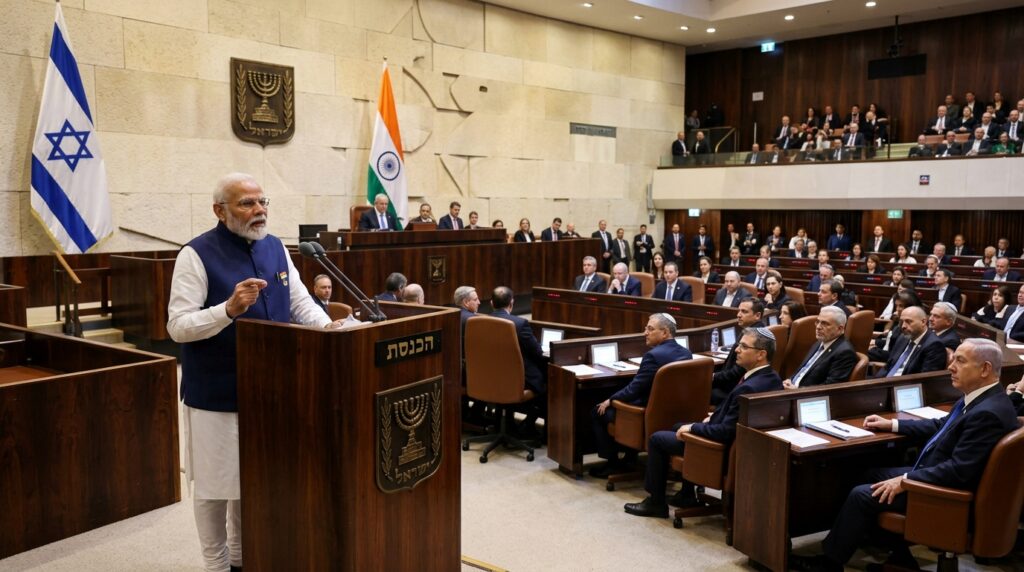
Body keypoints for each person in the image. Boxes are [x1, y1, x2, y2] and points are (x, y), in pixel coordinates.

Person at [167, 173, 339, 572]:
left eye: (263, 202)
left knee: (252, 482)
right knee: (214, 487)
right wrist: (226, 310)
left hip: (272, 389)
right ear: (220, 211)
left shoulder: (276, 247)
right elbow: (177, 326)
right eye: (247, 203)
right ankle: (216, 563)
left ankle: (243, 559)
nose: (259, 210)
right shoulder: (195, 254)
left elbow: (301, 304)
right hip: (217, 393)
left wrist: (327, 327)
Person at [790, 338, 1017, 572]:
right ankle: (896, 554)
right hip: (933, 474)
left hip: (946, 494)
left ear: (985, 369)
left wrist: (906, 481)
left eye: (960, 361)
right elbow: (942, 425)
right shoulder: (984, 399)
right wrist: (894, 425)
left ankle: (830, 564)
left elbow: (959, 471)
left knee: (862, 494)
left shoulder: (987, 414)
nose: (950, 366)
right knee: (866, 472)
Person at [623, 327, 781, 517]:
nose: (737, 350)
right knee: (676, 426)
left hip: (715, 448)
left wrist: (694, 427)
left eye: (743, 346)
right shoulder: (772, 378)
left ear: (761, 354)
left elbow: (724, 432)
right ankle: (687, 494)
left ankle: (656, 502)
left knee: (657, 439)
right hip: (738, 444)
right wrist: (709, 419)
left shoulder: (747, 387)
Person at [590, 314, 692, 478]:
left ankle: (613, 464)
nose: (645, 332)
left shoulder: (653, 356)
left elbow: (634, 390)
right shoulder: (686, 353)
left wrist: (611, 400)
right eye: (646, 328)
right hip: (673, 414)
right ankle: (630, 458)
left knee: (598, 411)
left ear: (665, 333)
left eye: (650, 329)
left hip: (646, 413)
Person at [490, 286, 548, 396]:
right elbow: (537, 352)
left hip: (491, 376)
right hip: (519, 380)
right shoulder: (520, 324)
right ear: (511, 303)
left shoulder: (480, 322)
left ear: (491, 303)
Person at [782, 306, 858, 388]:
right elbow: (804, 370)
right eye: (817, 322)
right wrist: (791, 379)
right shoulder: (820, 342)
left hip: (805, 397)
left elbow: (831, 388)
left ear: (840, 328)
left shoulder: (845, 353)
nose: (818, 327)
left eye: (825, 323)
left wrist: (797, 390)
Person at [710, 298, 765, 404]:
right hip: (733, 385)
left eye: (744, 311)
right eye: (739, 310)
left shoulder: (753, 337)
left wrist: (713, 376)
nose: (738, 315)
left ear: (757, 315)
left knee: (696, 389)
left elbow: (736, 373)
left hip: (734, 391)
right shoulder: (752, 330)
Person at [873, 306, 948, 378]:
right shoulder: (903, 337)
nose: (903, 326)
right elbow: (889, 365)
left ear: (923, 322)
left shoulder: (934, 346)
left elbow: (925, 380)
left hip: (905, 387)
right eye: (902, 321)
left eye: (908, 322)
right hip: (885, 383)